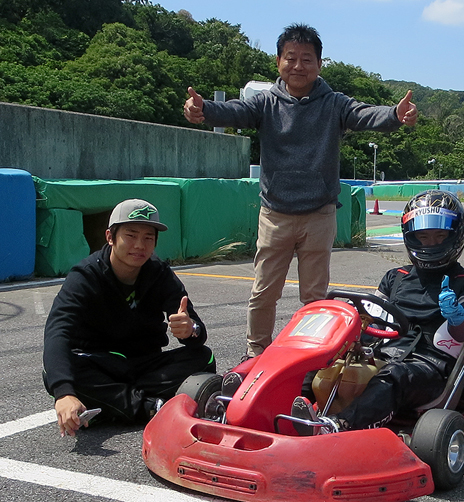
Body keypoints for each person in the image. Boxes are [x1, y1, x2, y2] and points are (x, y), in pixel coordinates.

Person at [183, 23, 418, 359]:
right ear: (278, 61)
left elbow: (366, 114)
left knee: (315, 297)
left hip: (319, 215)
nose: (298, 66)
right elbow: (236, 110)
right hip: (275, 214)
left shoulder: (334, 104)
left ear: (319, 65)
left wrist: (395, 114)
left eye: (306, 59)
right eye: (290, 58)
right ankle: (255, 354)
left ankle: (312, 356)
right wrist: (204, 109)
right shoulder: (265, 103)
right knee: (263, 293)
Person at [290, 190, 464, 434]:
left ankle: (338, 426)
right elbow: (369, 319)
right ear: (411, 236)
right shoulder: (396, 278)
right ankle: (294, 404)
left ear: (455, 236)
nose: (431, 243)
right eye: (424, 236)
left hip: (430, 368)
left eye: (439, 236)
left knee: (394, 374)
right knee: (323, 353)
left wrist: (456, 316)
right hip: (382, 355)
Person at [43, 199, 215, 437]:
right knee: (60, 375)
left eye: (148, 237)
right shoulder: (85, 277)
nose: (139, 245)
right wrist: (63, 393)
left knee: (203, 358)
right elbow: (57, 331)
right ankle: (151, 407)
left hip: (145, 365)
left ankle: (115, 405)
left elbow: (195, 331)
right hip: (101, 364)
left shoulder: (159, 273)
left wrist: (191, 329)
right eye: (131, 235)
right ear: (110, 237)